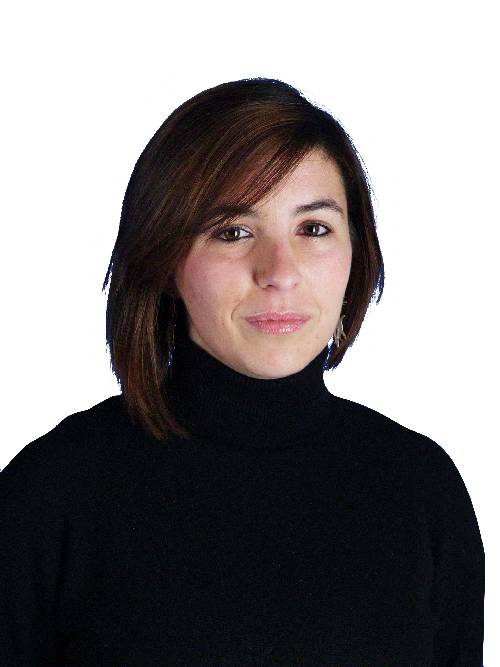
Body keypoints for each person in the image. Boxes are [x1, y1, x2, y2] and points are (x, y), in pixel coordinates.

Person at [0, 77, 484, 665]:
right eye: (233, 232)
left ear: (356, 252)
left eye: (313, 229)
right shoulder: (52, 493)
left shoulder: (422, 491)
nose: (279, 272)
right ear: (164, 257)